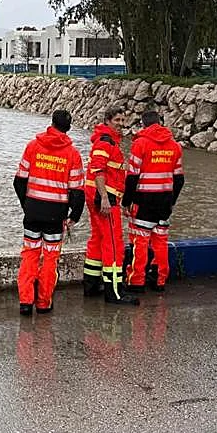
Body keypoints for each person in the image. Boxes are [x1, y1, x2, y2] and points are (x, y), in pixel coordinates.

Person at [13, 109, 85, 315]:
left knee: (30, 255)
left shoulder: (33, 146)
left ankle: (25, 303)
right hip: (56, 215)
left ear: (51, 123)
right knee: (51, 258)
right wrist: (74, 216)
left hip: (33, 213)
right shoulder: (72, 154)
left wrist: (26, 205)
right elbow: (77, 190)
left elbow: (19, 181)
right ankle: (44, 303)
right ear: (68, 128)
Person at [123, 108, 185, 293]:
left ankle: (136, 281)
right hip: (165, 201)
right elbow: (179, 179)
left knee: (140, 242)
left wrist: (127, 201)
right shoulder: (175, 146)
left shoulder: (140, 144)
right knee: (160, 240)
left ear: (143, 124)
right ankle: (159, 279)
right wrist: (171, 200)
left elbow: (132, 177)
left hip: (144, 201)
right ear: (160, 122)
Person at [82, 106, 139, 305]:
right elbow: (98, 170)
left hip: (97, 197)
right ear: (107, 120)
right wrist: (105, 198)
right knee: (113, 244)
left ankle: (90, 284)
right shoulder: (105, 142)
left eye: (123, 121)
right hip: (105, 199)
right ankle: (114, 292)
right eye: (117, 120)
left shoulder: (105, 140)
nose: (121, 125)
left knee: (97, 239)